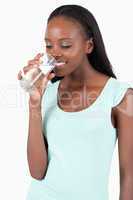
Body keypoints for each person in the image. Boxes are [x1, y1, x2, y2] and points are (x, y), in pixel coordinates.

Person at [17, 4, 133, 200]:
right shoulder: (47, 92)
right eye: (48, 45)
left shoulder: (121, 96)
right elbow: (37, 172)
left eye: (65, 45)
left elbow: (129, 175)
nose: (55, 53)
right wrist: (34, 103)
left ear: (89, 45)